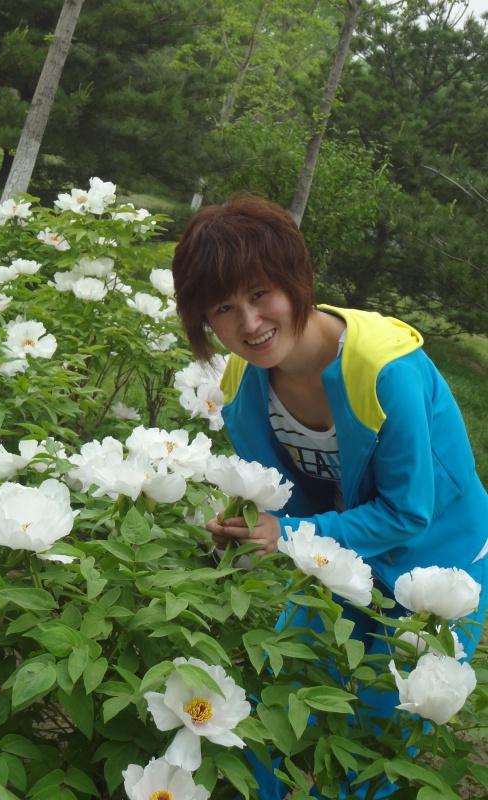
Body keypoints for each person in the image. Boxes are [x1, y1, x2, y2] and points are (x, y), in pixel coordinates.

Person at [171, 194, 488, 798]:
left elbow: (408, 512)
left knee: (384, 728)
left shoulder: (384, 369)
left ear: (296, 279)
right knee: (276, 698)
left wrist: (285, 534)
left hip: (438, 562)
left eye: (260, 293)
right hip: (334, 554)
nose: (249, 324)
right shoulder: (243, 385)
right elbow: (282, 500)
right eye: (224, 308)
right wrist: (247, 527)